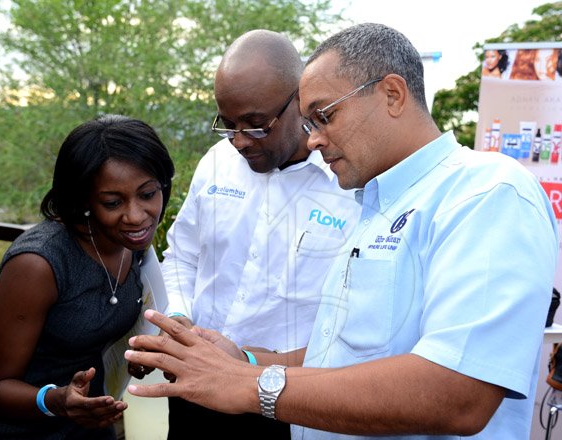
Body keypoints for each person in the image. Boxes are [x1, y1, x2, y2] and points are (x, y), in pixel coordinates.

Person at [125, 23, 558, 440]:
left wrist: (250, 384)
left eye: (324, 116)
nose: (313, 141)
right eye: (309, 122)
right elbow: (343, 354)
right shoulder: (373, 203)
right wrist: (246, 361)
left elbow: (460, 392)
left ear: (392, 94)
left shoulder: (485, 192)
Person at [159, 29, 360, 439]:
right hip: (192, 389)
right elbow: (181, 257)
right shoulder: (216, 162)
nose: (238, 141)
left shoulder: (350, 186)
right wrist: (178, 320)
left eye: (255, 125)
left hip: (286, 405)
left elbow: (354, 327)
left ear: (300, 101)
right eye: (227, 124)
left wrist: (248, 362)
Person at [0, 114, 175, 439]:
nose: (136, 216)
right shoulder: (39, 264)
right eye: (113, 202)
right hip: (8, 428)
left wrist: (139, 355)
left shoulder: (133, 243)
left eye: (148, 194)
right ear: (83, 199)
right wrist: (57, 399)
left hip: (85, 420)